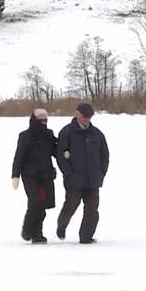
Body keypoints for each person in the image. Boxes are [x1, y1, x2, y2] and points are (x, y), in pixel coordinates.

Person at [56, 102, 109, 244]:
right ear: (77, 114)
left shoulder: (97, 134)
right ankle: (61, 225)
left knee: (92, 209)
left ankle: (86, 236)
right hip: (74, 179)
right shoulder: (66, 132)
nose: (86, 119)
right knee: (71, 205)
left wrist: (101, 173)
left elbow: (105, 156)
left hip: (93, 180)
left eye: (89, 116)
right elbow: (60, 155)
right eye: (84, 116)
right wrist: (68, 173)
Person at [11, 108, 57, 244]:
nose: (44, 122)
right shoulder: (25, 136)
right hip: (30, 176)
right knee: (35, 203)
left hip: (46, 176)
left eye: (46, 120)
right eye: (41, 120)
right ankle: (27, 230)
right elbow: (18, 157)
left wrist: (67, 153)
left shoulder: (49, 135)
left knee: (43, 206)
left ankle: (37, 234)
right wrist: (15, 175)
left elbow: (56, 151)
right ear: (34, 120)